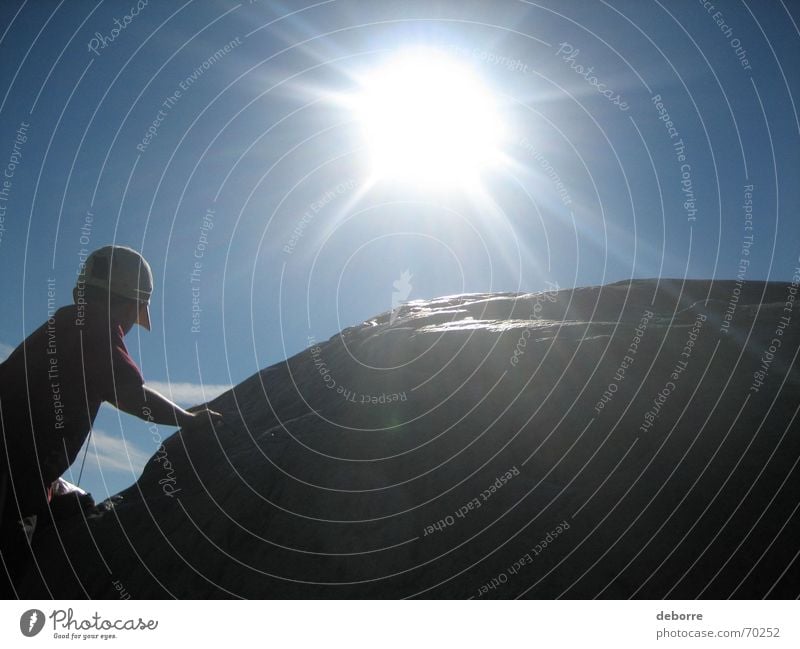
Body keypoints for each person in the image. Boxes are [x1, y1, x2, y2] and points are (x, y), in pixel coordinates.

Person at [0, 245, 222, 597]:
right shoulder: (96, 329)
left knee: (71, 506)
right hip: (13, 481)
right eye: (136, 313)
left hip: (25, 473)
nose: (133, 324)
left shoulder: (65, 322)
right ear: (127, 303)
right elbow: (131, 395)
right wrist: (189, 420)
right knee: (12, 574)